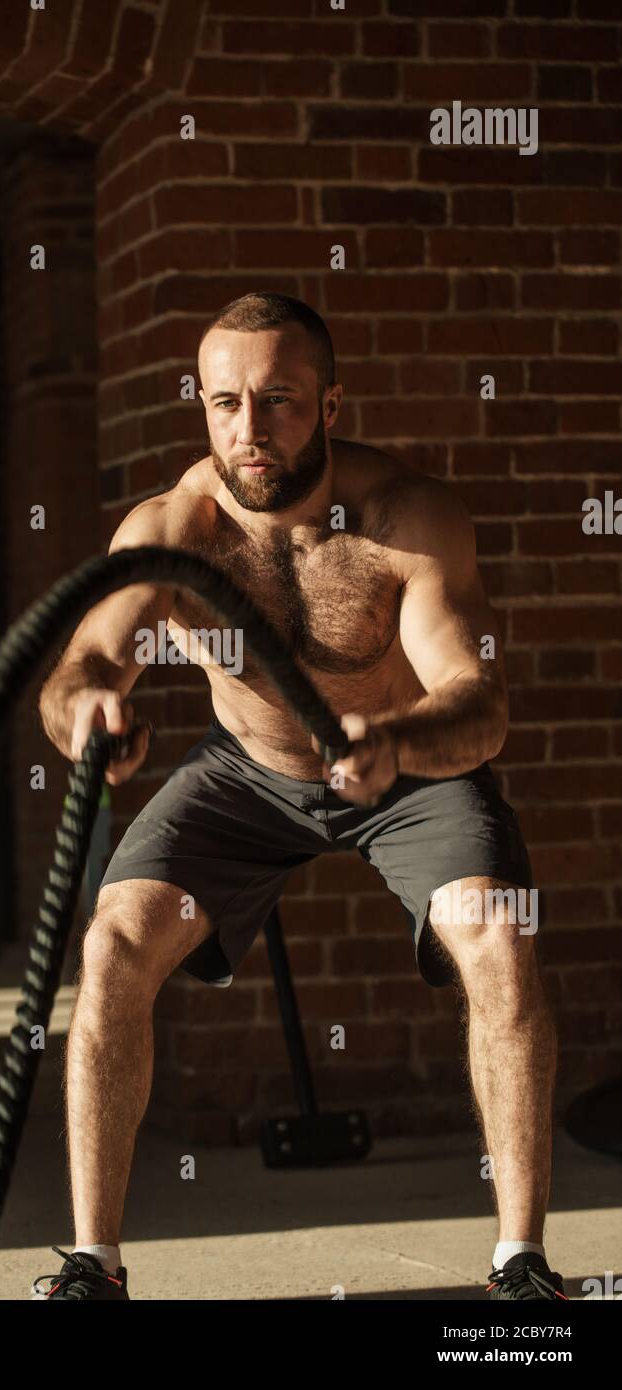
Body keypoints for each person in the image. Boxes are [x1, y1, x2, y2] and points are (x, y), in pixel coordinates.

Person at [35, 291, 564, 1303]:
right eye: (224, 401)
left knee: (497, 933)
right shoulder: (168, 529)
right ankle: (91, 1264)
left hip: (406, 773)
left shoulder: (403, 520)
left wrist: (398, 737)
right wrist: (88, 712)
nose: (248, 429)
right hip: (246, 773)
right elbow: (78, 667)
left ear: (328, 402)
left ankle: (520, 1259)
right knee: (112, 940)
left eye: (277, 400)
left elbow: (477, 702)